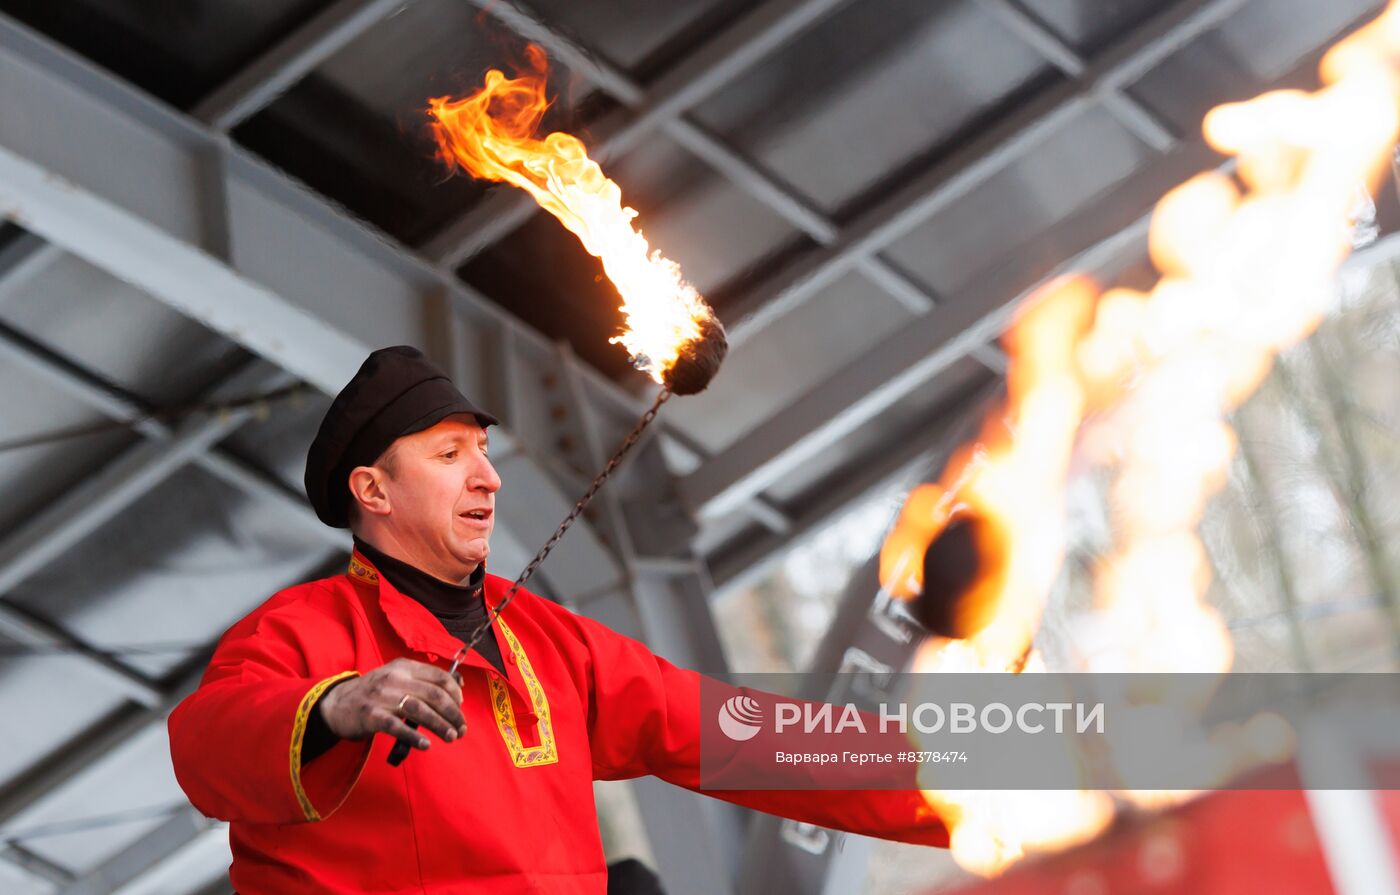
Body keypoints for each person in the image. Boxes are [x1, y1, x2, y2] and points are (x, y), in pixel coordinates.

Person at [168, 346, 948, 893]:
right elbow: (205, 743)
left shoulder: (554, 643)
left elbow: (751, 736)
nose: (488, 475)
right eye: (449, 455)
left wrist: (1013, 754)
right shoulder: (301, 628)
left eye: (483, 449)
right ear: (373, 491)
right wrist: (340, 703)